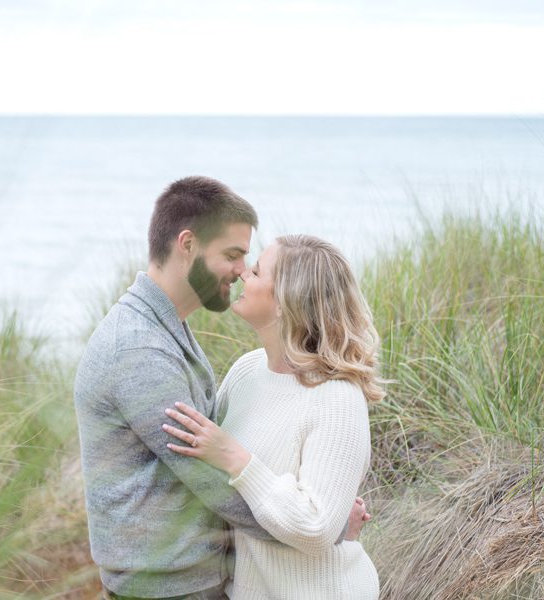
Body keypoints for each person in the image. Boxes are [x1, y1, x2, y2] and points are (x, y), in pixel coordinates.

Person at [75, 177, 369, 599]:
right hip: (164, 588)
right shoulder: (139, 350)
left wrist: (321, 520)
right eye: (233, 255)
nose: (240, 271)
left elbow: (227, 458)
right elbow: (211, 478)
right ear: (188, 244)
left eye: (249, 262)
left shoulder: (169, 331)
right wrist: (329, 527)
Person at [163, 235, 382, 599]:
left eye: (258, 271)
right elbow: (212, 479)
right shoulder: (247, 371)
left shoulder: (338, 398)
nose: (243, 274)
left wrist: (237, 459)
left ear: (285, 302)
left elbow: (315, 527)